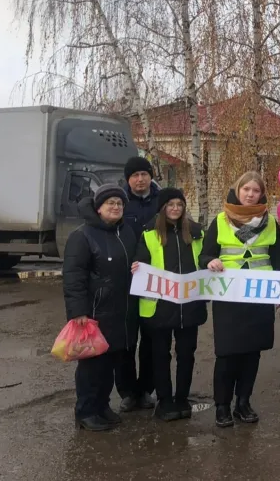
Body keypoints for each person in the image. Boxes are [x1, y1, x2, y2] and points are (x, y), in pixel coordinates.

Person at [201, 171, 280, 428]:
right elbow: (204, 256)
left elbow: (279, 260)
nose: (250, 194)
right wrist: (210, 262)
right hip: (229, 297)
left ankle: (243, 403)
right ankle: (222, 406)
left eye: (256, 190)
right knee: (227, 355)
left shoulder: (270, 222)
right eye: (246, 189)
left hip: (260, 297)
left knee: (252, 353)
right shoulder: (220, 220)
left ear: (262, 194)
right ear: (237, 191)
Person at [63, 184, 138, 431]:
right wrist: (78, 312)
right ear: (99, 207)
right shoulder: (82, 236)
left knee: (111, 363)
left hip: (121, 311)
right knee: (91, 365)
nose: (116, 207)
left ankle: (103, 406)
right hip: (95, 313)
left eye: (119, 203)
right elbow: (74, 277)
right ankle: (85, 411)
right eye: (110, 203)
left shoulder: (126, 232)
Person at [132, 188, 206, 422]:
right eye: (170, 204)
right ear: (162, 208)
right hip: (159, 306)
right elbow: (141, 264)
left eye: (179, 204)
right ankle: (165, 400)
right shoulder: (149, 234)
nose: (175, 208)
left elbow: (204, 260)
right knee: (160, 355)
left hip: (189, 304)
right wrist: (136, 267)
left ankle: (182, 397)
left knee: (187, 354)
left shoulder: (196, 233)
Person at [118, 156, 160, 412]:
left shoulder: (161, 201)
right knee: (125, 340)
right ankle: (127, 392)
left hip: (155, 281)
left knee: (152, 339)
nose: (140, 179)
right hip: (126, 280)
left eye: (145, 174)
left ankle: (146, 390)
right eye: (135, 175)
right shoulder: (119, 201)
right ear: (128, 179)